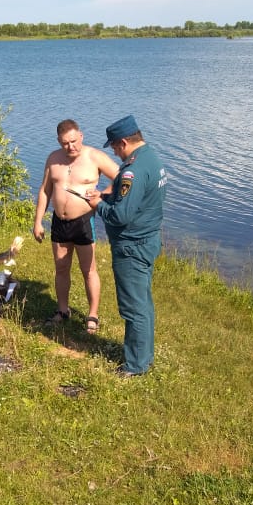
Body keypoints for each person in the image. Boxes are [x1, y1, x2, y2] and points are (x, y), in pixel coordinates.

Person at [84, 115, 168, 376]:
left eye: (114, 147)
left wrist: (98, 204)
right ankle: (145, 356)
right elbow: (135, 199)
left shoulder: (133, 170)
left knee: (133, 308)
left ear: (123, 142)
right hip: (147, 240)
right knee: (143, 303)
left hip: (132, 247)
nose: (115, 153)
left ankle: (135, 366)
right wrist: (106, 195)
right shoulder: (151, 158)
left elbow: (121, 215)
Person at [33, 119, 120, 333]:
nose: (70, 146)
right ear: (59, 141)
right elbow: (45, 191)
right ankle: (63, 310)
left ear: (81, 136)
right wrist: (38, 221)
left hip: (83, 222)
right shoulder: (53, 159)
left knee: (88, 270)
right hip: (59, 222)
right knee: (61, 268)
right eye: (65, 143)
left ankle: (93, 315)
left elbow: (122, 178)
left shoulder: (94, 157)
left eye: (73, 141)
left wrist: (102, 195)